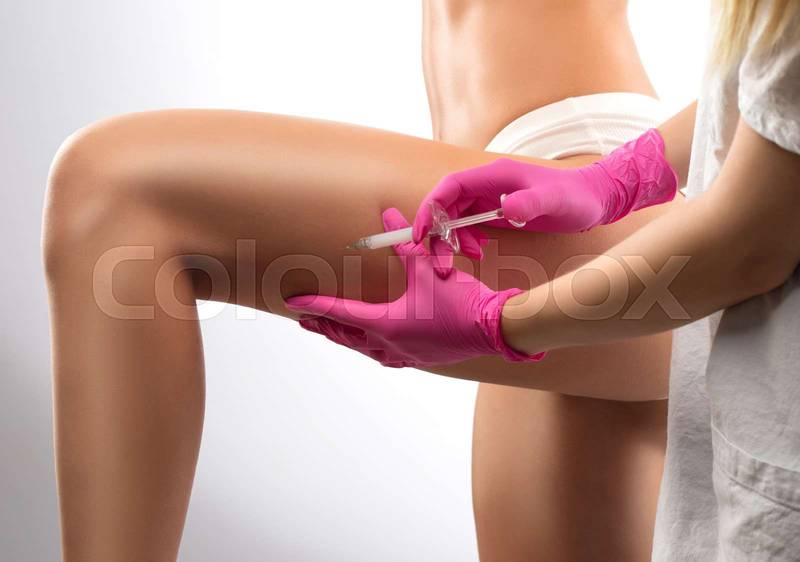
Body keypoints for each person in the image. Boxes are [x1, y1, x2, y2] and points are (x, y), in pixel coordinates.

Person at [43, 1, 677, 560]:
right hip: (566, 185)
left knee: (117, 193)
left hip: (595, 170)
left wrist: (620, 177)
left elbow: (753, 77)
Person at [288, 0, 800, 559]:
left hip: (578, 143)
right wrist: (618, 178)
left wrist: (499, 325)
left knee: (198, 208)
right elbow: (766, 87)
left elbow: (751, 243)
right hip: (607, 168)